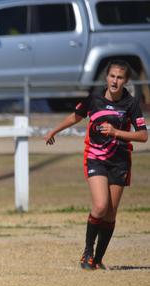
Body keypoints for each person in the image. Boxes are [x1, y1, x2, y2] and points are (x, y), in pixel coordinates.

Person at [44, 59, 147, 270]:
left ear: (126, 81)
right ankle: (87, 252)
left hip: (119, 161)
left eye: (120, 78)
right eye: (112, 76)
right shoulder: (94, 99)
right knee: (100, 206)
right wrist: (54, 130)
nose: (115, 81)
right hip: (96, 157)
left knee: (111, 212)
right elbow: (76, 116)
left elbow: (143, 136)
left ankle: (98, 259)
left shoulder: (131, 104)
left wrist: (116, 132)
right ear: (106, 77)